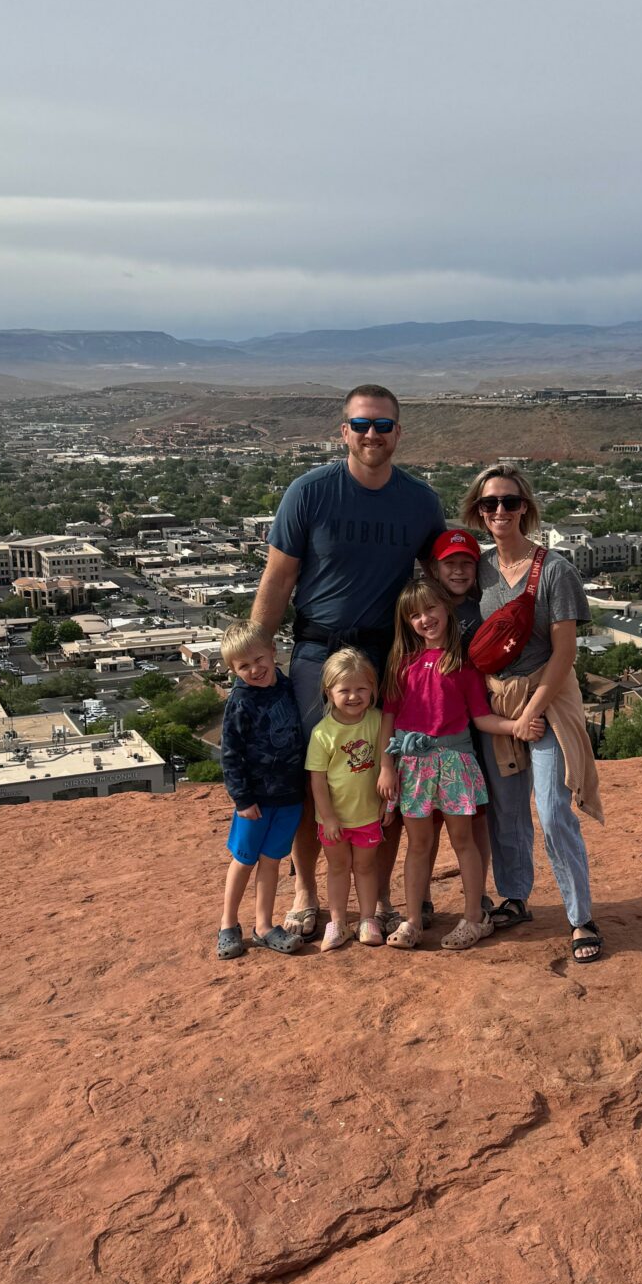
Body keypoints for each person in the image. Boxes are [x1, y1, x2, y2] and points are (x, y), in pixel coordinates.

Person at [252, 384, 445, 936]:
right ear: (344, 431)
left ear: (398, 433)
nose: (371, 435)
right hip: (318, 651)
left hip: (387, 653)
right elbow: (278, 577)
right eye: (361, 425)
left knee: (382, 776)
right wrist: (257, 655)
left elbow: (441, 579)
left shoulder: (419, 501)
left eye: (383, 426)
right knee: (315, 773)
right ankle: (307, 890)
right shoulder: (309, 493)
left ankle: (377, 898)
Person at [465, 463, 606, 965]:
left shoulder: (556, 570)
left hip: (547, 697)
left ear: (525, 506)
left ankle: (580, 916)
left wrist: (532, 711)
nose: (499, 511)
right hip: (498, 702)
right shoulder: (477, 569)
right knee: (506, 808)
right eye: (489, 504)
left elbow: (565, 653)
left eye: (508, 501)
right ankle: (515, 896)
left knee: (550, 808)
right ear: (478, 512)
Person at [375, 577, 533, 951]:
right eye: (415, 615)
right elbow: (388, 718)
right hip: (412, 765)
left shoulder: (464, 664)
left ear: (447, 608)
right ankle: (412, 919)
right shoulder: (401, 664)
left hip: (455, 763)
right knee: (418, 843)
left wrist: (516, 726)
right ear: (407, 622)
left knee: (464, 841)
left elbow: (480, 718)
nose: (425, 619)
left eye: (431, 608)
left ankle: (474, 918)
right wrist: (386, 765)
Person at [215, 622, 306, 959]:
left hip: (289, 796)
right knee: (244, 860)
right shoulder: (240, 701)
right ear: (233, 670)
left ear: (272, 651)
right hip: (255, 800)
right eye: (243, 666)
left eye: (258, 658)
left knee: (272, 861)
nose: (254, 669)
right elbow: (230, 753)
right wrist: (242, 798)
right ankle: (228, 924)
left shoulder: (287, 686)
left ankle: (264, 926)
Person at [425, 527, 493, 919]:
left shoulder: (481, 610)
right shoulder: (424, 609)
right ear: (435, 568)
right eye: (451, 563)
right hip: (431, 729)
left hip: (471, 730)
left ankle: (478, 892)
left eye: (467, 563)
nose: (459, 571)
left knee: (474, 815)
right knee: (428, 819)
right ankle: (422, 897)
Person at [305, 647, 386, 952]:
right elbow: (318, 779)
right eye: (345, 690)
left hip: (368, 815)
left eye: (361, 689)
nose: (354, 696)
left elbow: (386, 765)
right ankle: (337, 922)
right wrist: (327, 817)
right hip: (333, 820)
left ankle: (367, 919)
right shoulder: (322, 733)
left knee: (366, 868)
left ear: (373, 689)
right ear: (329, 692)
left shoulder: (377, 721)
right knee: (337, 868)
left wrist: (385, 804)